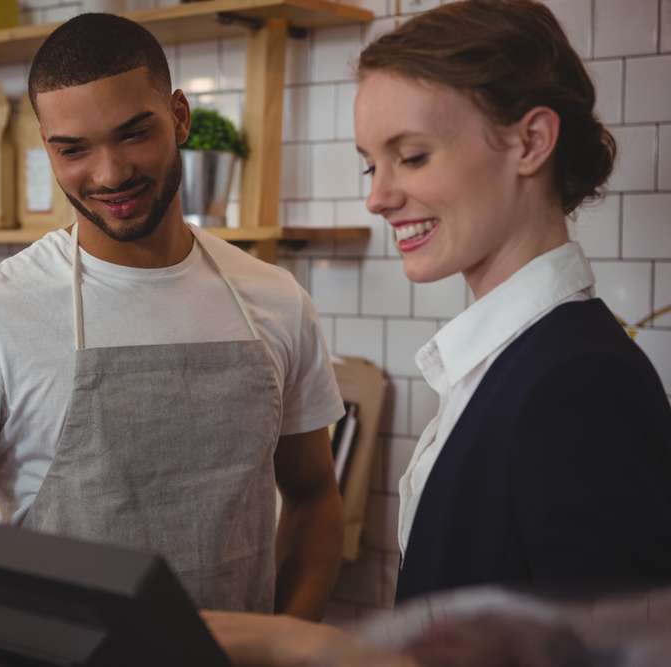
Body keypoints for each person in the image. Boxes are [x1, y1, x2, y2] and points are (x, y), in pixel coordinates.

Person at [0, 13, 345, 623]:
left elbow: (314, 498)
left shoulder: (276, 299)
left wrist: (288, 643)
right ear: (46, 146)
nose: (109, 174)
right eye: (73, 150)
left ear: (180, 117)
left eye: (133, 135)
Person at [205, 0, 671, 662]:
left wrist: (291, 640)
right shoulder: (507, 363)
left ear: (532, 142)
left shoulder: (578, 384)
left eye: (413, 156)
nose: (378, 195)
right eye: (373, 163)